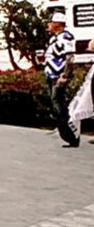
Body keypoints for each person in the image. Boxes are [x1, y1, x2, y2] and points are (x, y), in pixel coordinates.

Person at [41, 12, 80, 147]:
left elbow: (69, 58)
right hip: (52, 75)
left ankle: (70, 134)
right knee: (56, 103)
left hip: (58, 77)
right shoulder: (54, 38)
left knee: (59, 104)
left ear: (58, 24)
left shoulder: (66, 38)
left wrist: (65, 76)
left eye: (51, 22)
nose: (48, 24)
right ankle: (65, 130)